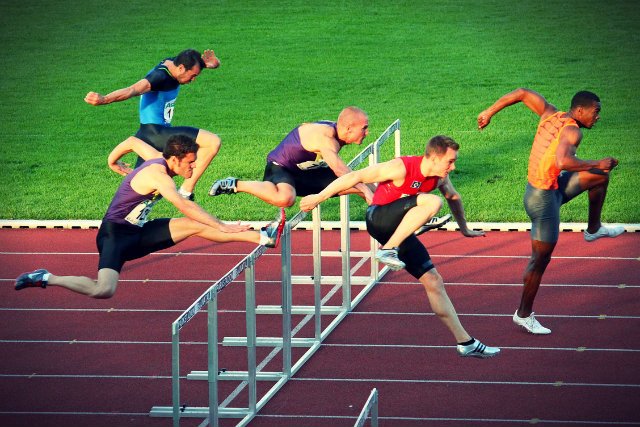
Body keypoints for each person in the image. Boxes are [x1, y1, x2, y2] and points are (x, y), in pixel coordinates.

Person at [300, 135, 499, 359]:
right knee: (433, 202)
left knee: (433, 280)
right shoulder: (401, 167)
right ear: (434, 158)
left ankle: (465, 342)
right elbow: (355, 176)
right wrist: (318, 197)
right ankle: (389, 249)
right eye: (450, 161)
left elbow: (453, 197)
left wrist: (464, 229)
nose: (453, 167)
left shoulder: (439, 178)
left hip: (397, 232)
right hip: (378, 218)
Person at [15, 135, 285, 299]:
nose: (194, 167)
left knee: (194, 226)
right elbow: (183, 204)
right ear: (175, 160)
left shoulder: (158, 157)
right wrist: (223, 226)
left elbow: (132, 142)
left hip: (140, 232)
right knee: (103, 290)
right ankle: (46, 277)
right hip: (115, 236)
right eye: (190, 162)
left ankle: (264, 237)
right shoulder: (158, 175)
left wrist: (112, 161)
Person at [477, 88, 624, 334]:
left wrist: (489, 112)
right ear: (580, 110)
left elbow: (522, 93)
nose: (598, 116)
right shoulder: (573, 131)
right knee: (539, 261)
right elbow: (563, 162)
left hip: (550, 189)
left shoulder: (550, 114)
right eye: (596, 111)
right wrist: (598, 162)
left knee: (599, 177)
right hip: (542, 202)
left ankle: (594, 229)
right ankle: (523, 315)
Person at [84, 48, 223, 200]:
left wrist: (212, 64)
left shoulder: (176, 64)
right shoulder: (159, 77)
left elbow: (197, 64)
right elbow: (132, 90)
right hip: (155, 134)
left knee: (143, 193)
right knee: (212, 142)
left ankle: (129, 212)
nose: (193, 79)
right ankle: (185, 192)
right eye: (193, 75)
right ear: (181, 68)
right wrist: (104, 99)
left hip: (150, 134)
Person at [208, 107, 376, 207]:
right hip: (281, 168)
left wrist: (367, 191)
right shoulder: (326, 138)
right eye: (364, 128)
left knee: (369, 185)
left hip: (306, 173)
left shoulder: (338, 131)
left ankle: (384, 225)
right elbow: (340, 170)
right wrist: (365, 191)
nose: (367, 132)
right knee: (286, 198)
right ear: (348, 128)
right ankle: (234, 184)